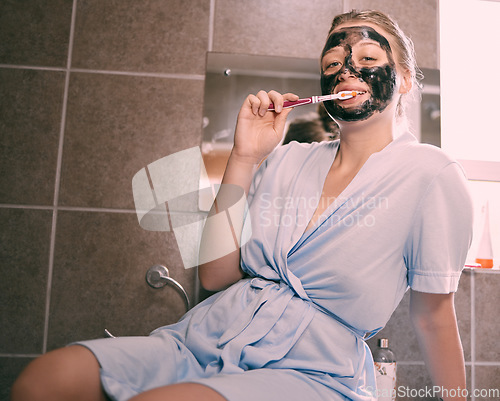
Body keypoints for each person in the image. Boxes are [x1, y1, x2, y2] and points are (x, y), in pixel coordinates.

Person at [11, 9, 473, 401]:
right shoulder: (288, 159)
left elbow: (432, 316)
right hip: (208, 337)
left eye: (368, 58)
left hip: (313, 371)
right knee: (42, 383)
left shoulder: (430, 175)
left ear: (406, 78)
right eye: (332, 61)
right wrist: (245, 156)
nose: (346, 69)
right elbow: (215, 275)